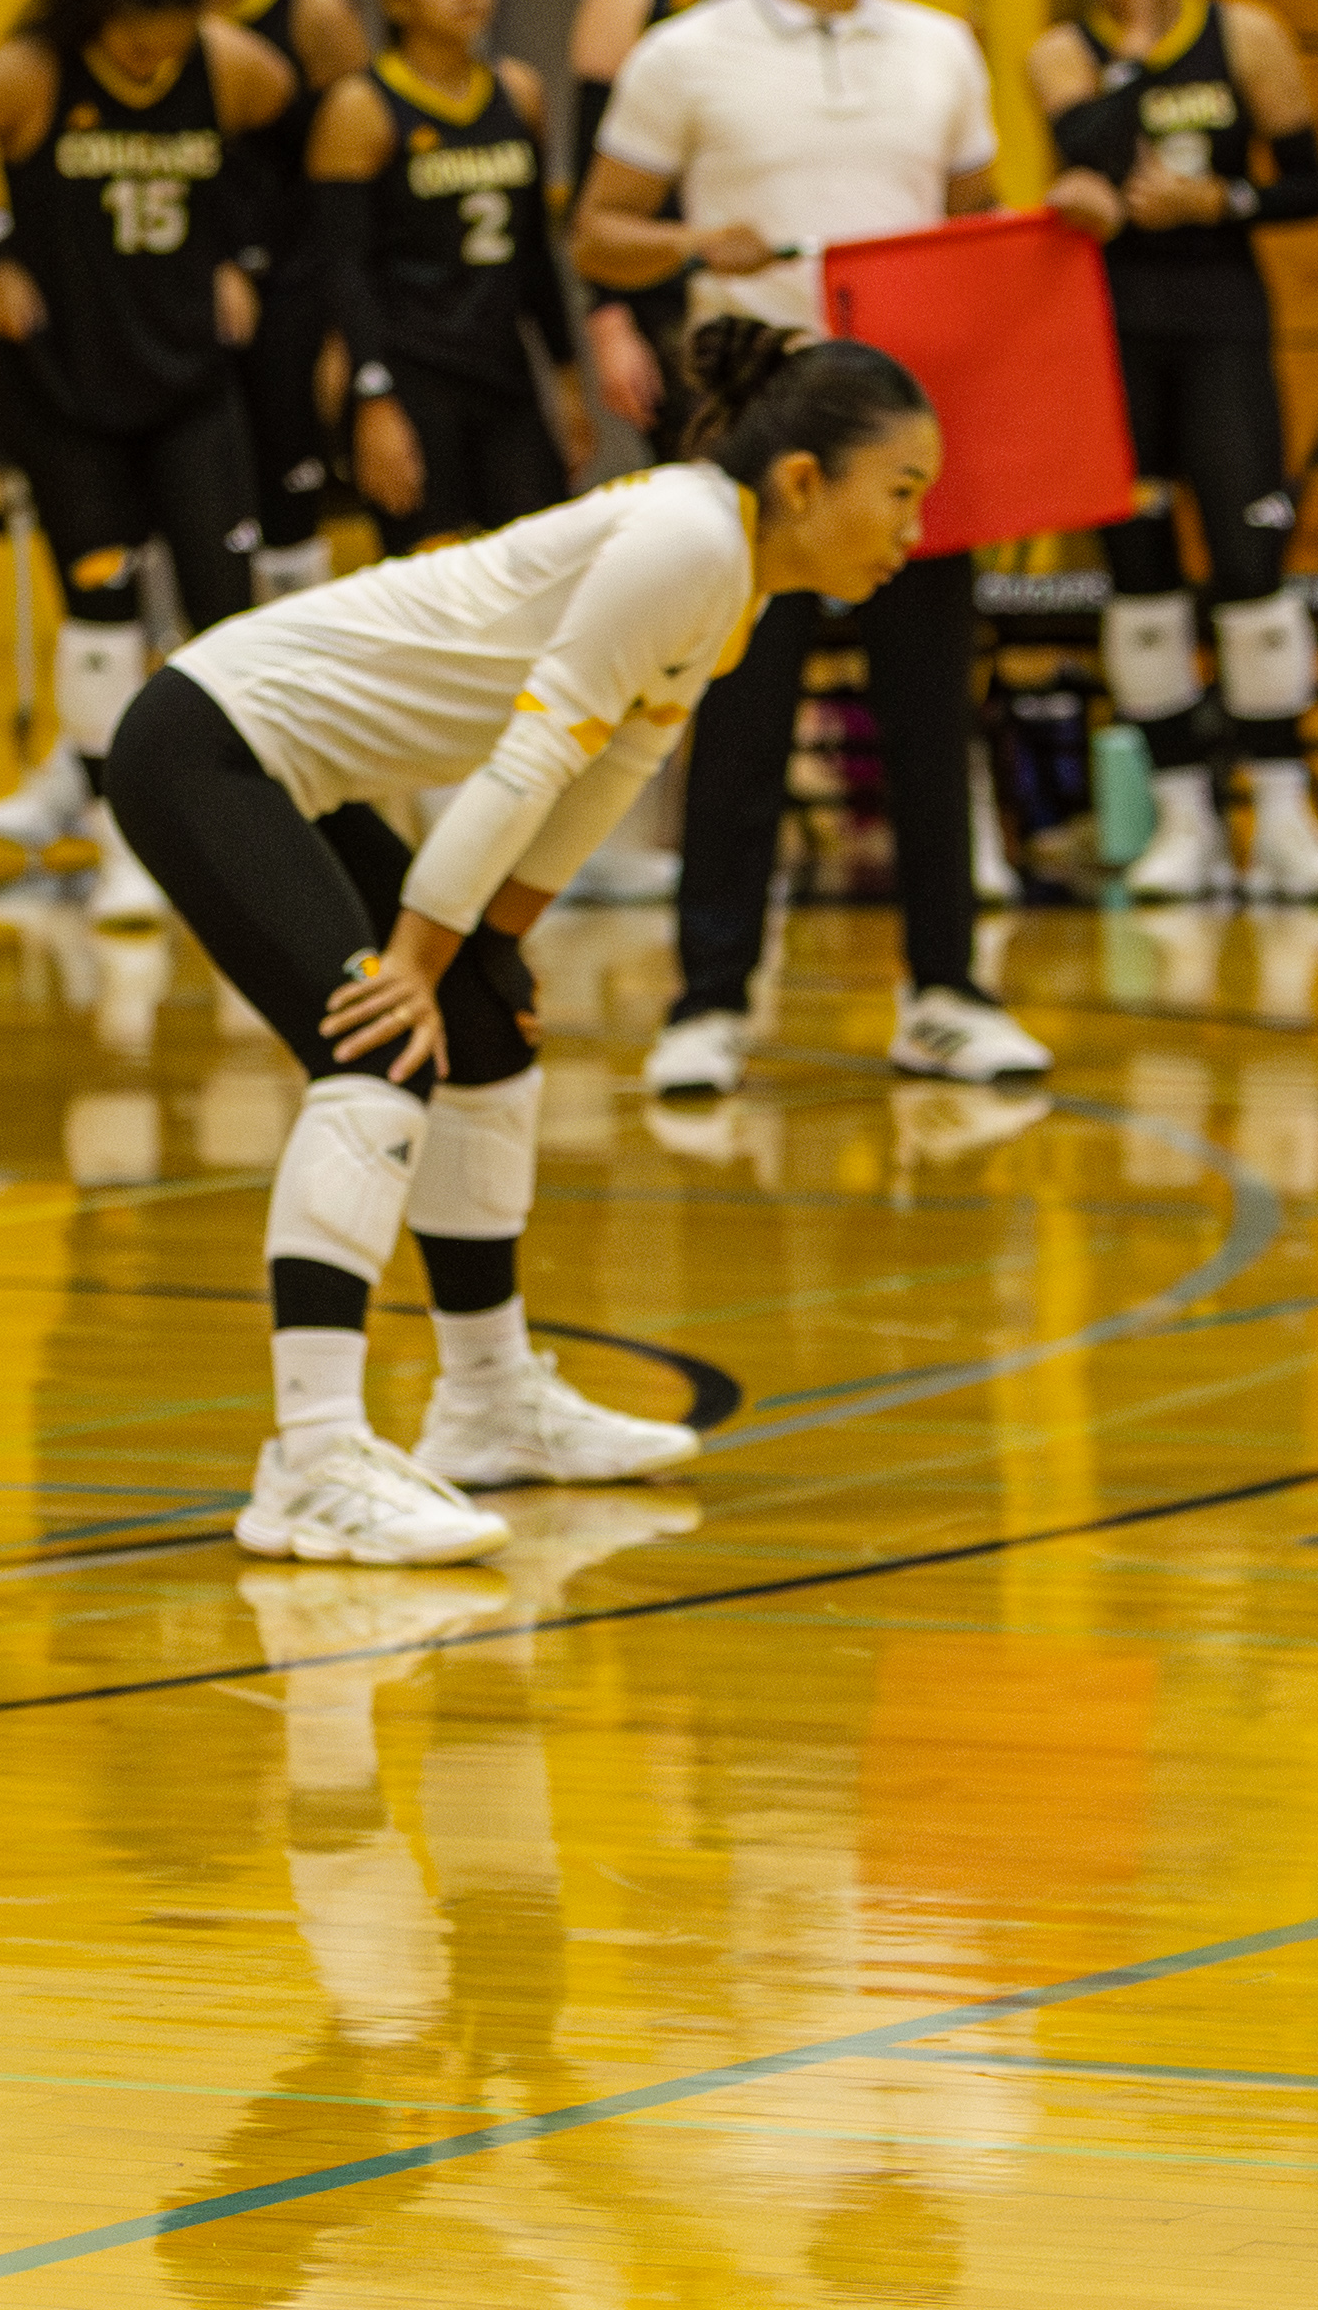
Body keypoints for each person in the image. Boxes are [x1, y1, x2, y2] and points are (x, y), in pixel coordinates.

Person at [116, 321, 943, 1561]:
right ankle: (311, 1460)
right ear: (805, 483)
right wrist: (414, 960)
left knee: (484, 1034)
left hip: (297, 773)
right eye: (902, 493)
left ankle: (487, 1406)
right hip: (208, 745)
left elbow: (608, 777)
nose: (913, 532)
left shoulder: (729, 586)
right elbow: (523, 765)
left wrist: (491, 947)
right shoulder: (687, 538)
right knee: (381, 1045)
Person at [574, 0, 1053, 1095]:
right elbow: (598, 232)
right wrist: (688, 246)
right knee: (739, 713)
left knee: (925, 715)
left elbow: (974, 227)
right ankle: (710, 1003)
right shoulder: (685, 54)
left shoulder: (945, 47)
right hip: (756, 426)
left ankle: (946, 994)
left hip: (903, 427)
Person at [0, 0, 296, 930]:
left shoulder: (234, 67)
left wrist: (241, 257)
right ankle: (122, 839)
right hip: (67, 390)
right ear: (101, 8)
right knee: (100, 618)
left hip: (191, 380)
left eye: (179, 20)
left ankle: (236, 829)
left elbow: (298, 160)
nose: (163, 45)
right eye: (144, 23)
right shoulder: (30, 75)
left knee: (223, 610)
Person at [1027, 0, 1318, 903]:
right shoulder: (1062, 51)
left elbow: (1309, 187)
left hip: (1222, 327)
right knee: (1140, 579)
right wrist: (1130, 55)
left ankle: (1284, 813)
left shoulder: (1247, 35)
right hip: (1111, 339)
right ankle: (1181, 818)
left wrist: (1216, 202)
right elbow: (1083, 145)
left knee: (1252, 565)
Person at [543, 0, 778, 913]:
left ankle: (752, 819)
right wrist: (610, 322)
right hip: (681, 319)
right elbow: (596, 184)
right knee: (690, 573)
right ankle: (644, 816)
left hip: (791, 317)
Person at [311, 0, 597, 549]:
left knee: (541, 566)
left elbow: (534, 256)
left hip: (503, 371)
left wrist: (568, 380)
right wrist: (373, 402)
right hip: (411, 375)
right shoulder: (361, 107)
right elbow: (343, 270)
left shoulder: (518, 91)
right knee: (433, 584)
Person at [160, 0, 376, 598]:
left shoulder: (312, 8)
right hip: (189, 282)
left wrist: (341, 329)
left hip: (294, 281)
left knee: (290, 495)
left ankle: (296, 675)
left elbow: (357, 170)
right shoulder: (163, 10)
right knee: (205, 495)